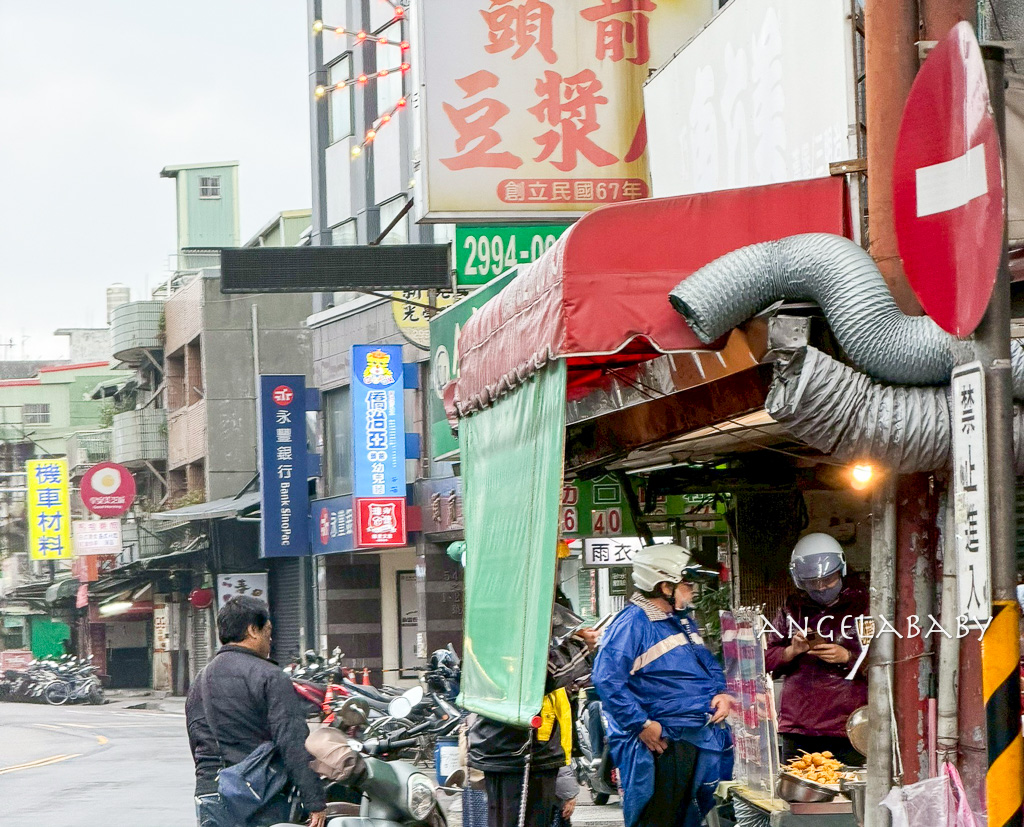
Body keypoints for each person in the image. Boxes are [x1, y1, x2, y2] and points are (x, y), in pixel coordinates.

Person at [592, 544, 733, 827]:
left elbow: (706, 662)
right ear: (663, 585)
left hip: (694, 734)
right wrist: (642, 724)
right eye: (686, 583)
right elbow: (606, 678)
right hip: (662, 741)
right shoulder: (633, 623)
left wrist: (720, 692)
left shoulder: (680, 621)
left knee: (687, 816)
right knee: (659, 817)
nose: (691, 590)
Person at [185, 596, 327, 827]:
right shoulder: (270, 676)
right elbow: (292, 742)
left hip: (209, 793)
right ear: (253, 630)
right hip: (259, 796)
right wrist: (315, 801)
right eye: (267, 630)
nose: (271, 638)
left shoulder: (200, 679)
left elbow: (197, 742)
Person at [468, 624, 598, 827]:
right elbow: (538, 677)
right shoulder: (512, 638)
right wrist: (579, 646)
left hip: (517, 750)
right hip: (518, 751)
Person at [764, 532, 869, 767]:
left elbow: (886, 662)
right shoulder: (792, 610)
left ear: (841, 570)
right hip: (799, 727)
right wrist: (792, 650)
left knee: (849, 793)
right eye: (812, 582)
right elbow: (766, 660)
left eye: (828, 580)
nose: (821, 587)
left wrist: (849, 657)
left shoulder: (864, 607)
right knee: (800, 793)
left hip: (848, 726)